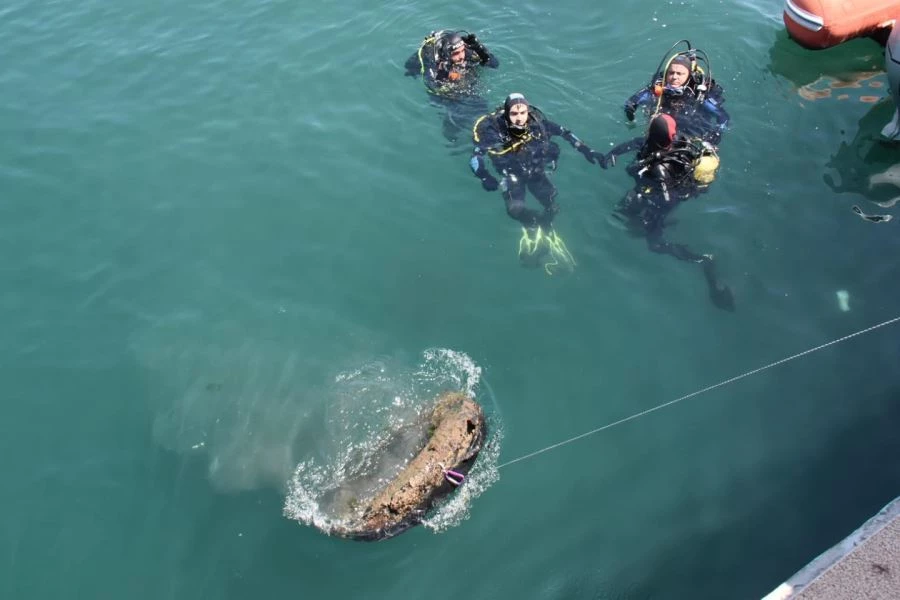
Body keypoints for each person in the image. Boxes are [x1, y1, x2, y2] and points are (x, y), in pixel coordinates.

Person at [599, 113, 735, 310]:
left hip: (663, 200)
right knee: (626, 213)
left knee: (654, 244)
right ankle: (649, 224)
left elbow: (668, 199)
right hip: (660, 191)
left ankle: (704, 260)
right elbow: (631, 144)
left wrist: (652, 208)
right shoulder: (676, 142)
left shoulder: (660, 165)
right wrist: (612, 154)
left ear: (653, 132)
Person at [470, 93, 600, 230]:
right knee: (514, 210)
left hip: (535, 170)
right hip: (511, 174)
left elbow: (565, 133)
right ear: (507, 113)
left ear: (528, 111)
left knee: (551, 201)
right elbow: (476, 156)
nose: (519, 118)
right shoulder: (494, 132)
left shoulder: (538, 125)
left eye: (522, 112)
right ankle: (532, 222)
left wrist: (586, 150)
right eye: (514, 113)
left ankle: (547, 224)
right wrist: (484, 176)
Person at [623, 41, 729, 144]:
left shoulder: (699, 93)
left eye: (680, 74)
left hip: (690, 133)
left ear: (688, 75)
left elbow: (723, 117)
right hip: (663, 133)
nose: (674, 77)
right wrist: (631, 110)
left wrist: (717, 133)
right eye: (671, 73)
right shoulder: (659, 87)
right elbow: (633, 101)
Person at [404, 30, 499, 141]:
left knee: (481, 105)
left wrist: (479, 48)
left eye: (462, 51)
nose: (461, 57)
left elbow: (494, 64)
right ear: (446, 54)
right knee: (456, 112)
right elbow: (432, 87)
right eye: (456, 54)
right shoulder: (435, 64)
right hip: (447, 95)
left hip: (466, 86)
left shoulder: (465, 53)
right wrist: (447, 78)